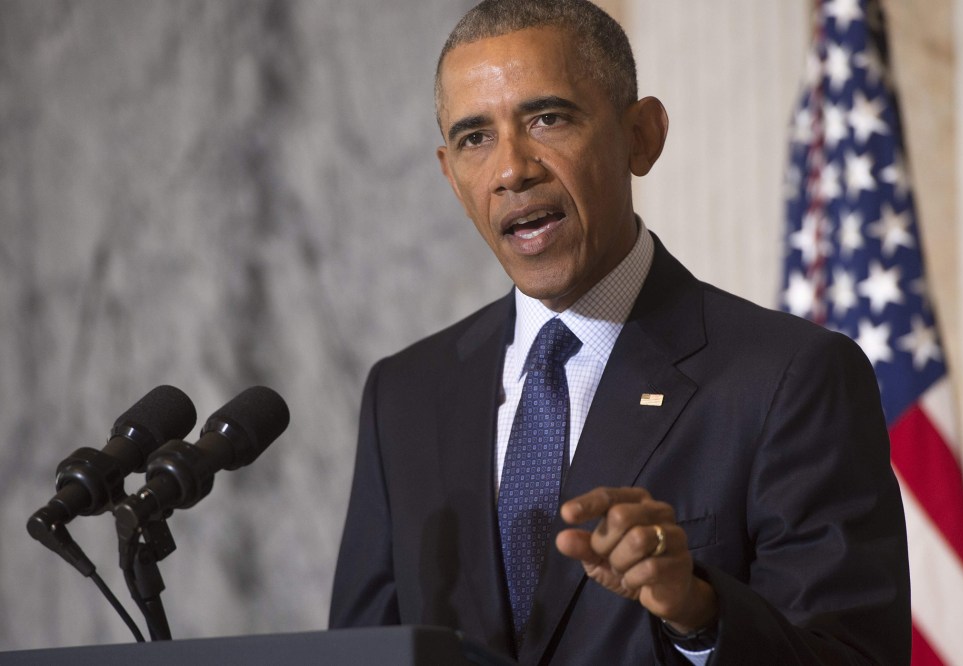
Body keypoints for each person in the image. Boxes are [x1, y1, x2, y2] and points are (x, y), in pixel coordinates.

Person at [329, 1, 911, 664]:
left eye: (547, 118)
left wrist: (699, 612)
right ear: (451, 176)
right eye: (474, 138)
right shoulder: (404, 395)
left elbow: (854, 655)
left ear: (642, 135)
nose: (511, 169)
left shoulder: (790, 379)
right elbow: (359, 650)